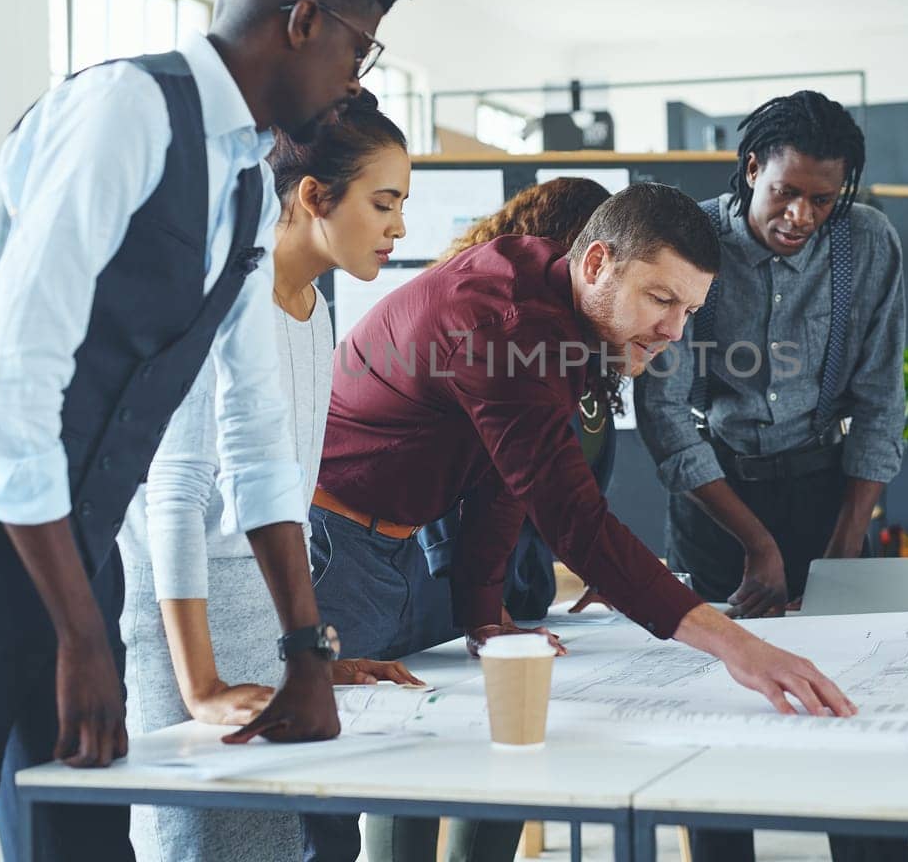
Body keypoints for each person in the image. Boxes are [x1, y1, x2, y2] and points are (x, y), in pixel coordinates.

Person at [0, 0, 414, 862]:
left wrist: (304, 648)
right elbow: (7, 387)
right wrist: (82, 636)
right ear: (302, 21)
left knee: (79, 845)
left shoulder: (242, 180)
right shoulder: (124, 112)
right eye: (357, 49)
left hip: (73, 545)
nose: (355, 80)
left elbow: (255, 431)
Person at [312, 180, 856, 723]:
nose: (672, 331)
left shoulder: (559, 310)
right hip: (336, 546)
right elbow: (572, 517)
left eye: (689, 311)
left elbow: (504, 481)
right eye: (661, 299)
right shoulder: (508, 326)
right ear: (596, 263)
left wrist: (482, 618)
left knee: (419, 746)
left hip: (396, 548)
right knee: (330, 760)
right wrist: (739, 647)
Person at [118, 94, 420, 862]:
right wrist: (200, 685)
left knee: (272, 845)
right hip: (183, 615)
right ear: (315, 196)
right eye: (383, 204)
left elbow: (286, 499)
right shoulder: (222, 291)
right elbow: (174, 496)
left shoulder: (315, 306)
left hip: (262, 610)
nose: (399, 229)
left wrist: (313, 654)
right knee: (197, 843)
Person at [634, 90, 907, 862]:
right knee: (720, 724)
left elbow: (882, 397)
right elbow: (664, 414)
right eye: (786, 192)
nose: (802, 216)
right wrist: (756, 544)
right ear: (752, 168)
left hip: (827, 493)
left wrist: (845, 542)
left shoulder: (869, 244)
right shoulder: (690, 240)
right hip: (716, 498)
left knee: (856, 715)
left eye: (824, 198)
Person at [373, 176, 617, 862]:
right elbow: (482, 472)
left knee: (509, 761)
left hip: (519, 588)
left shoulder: (579, 346)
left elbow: (572, 468)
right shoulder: (489, 322)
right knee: (417, 771)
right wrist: (479, 603)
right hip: (446, 585)